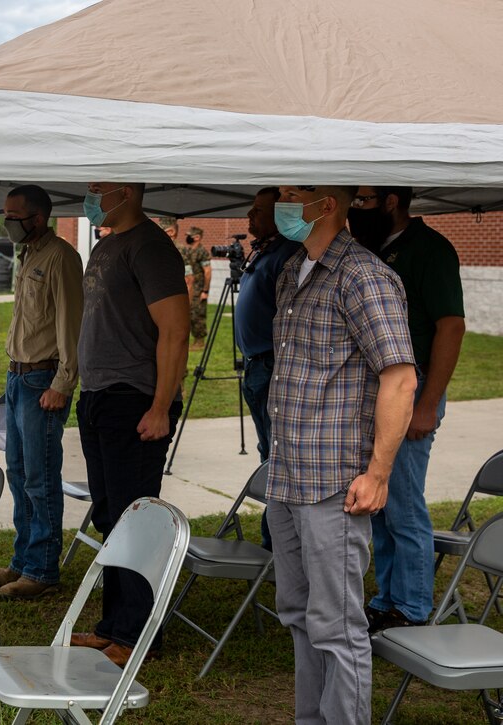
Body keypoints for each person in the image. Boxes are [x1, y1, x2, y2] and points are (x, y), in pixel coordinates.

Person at [267, 185, 416, 724]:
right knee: (300, 616)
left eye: (290, 195)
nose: (280, 204)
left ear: (326, 203)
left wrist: (379, 474)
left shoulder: (365, 277)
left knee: (337, 625)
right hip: (286, 478)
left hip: (334, 484)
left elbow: (399, 379)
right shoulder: (293, 271)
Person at [70, 182, 189, 666]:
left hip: (134, 400)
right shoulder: (106, 243)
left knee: (135, 520)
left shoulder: (151, 247)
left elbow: (175, 330)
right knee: (108, 516)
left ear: (126, 192)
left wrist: (160, 407)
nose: (90, 196)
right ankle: (113, 626)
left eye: (99, 189)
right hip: (98, 397)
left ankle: (139, 635)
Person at [348, 186, 466, 632]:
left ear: (390, 201)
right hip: (379, 390)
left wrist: (428, 404)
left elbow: (451, 328)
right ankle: (386, 599)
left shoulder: (430, 249)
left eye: (361, 200)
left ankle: (412, 608)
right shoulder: (374, 250)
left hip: (413, 391)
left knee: (402, 504)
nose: (354, 209)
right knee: (376, 501)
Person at [0, 184, 83, 600]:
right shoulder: (29, 255)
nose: (7, 222)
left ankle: (42, 570)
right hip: (18, 378)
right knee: (20, 474)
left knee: (40, 479)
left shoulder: (61, 256)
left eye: (13, 215)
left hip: (44, 380)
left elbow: (70, 325)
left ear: (37, 219)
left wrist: (62, 382)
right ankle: (23, 561)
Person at [234, 187, 299, 550]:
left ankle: (276, 543)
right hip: (257, 366)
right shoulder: (266, 249)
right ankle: (273, 537)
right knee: (267, 454)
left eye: (259, 210)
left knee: (276, 458)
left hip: (272, 364)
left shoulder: (288, 254)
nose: (249, 216)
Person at [180, 226, 212, 350]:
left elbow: (208, 272)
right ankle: (191, 340)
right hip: (189, 287)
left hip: (199, 288)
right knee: (189, 313)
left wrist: (205, 291)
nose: (187, 237)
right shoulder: (188, 251)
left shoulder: (202, 251)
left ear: (197, 237)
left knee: (197, 314)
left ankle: (199, 341)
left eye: (190, 235)